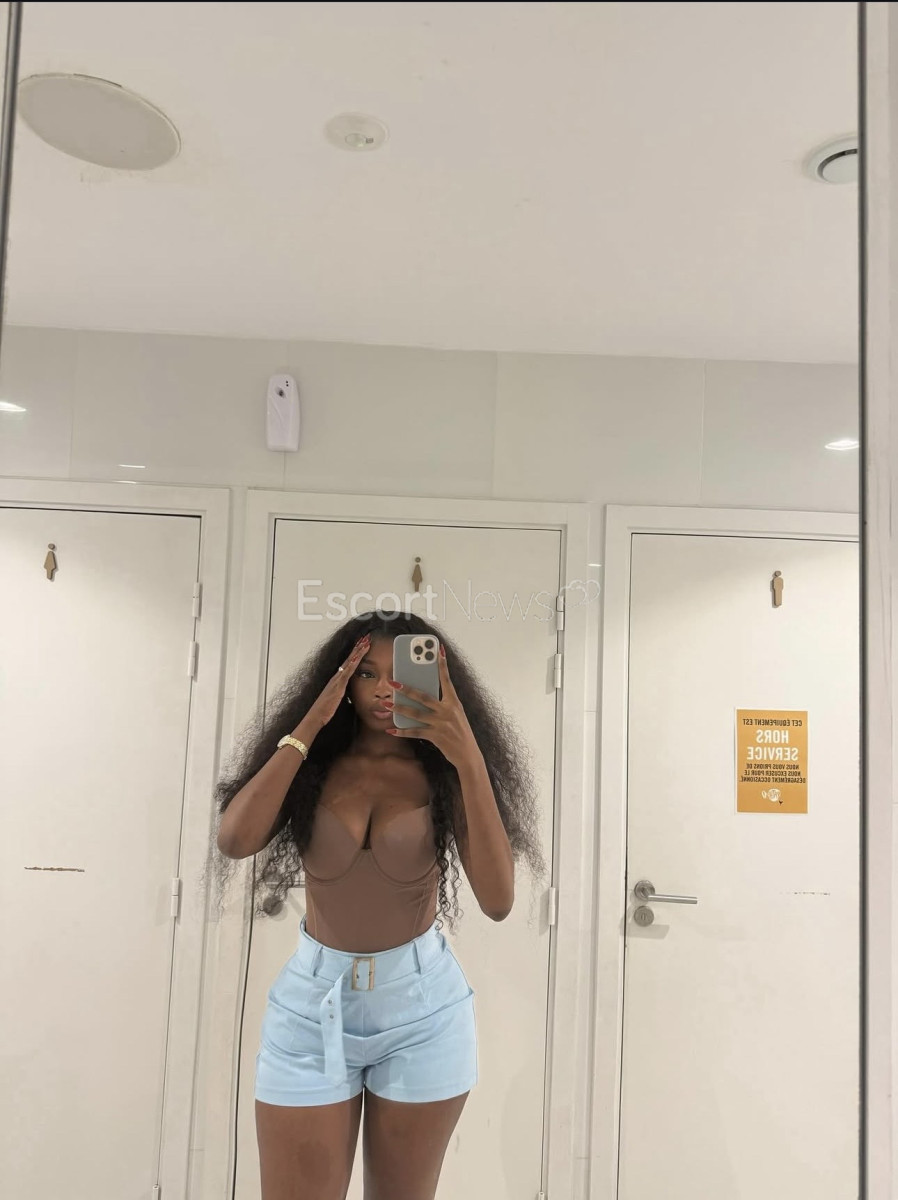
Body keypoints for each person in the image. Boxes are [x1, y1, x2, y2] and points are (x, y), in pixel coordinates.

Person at [213, 610, 543, 1200]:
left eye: (401, 673)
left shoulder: (443, 775)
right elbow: (235, 840)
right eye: (366, 673)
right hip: (312, 1009)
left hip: (422, 1011)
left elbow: (498, 900)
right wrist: (310, 721)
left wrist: (467, 755)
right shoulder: (315, 768)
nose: (385, 690)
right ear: (340, 681)